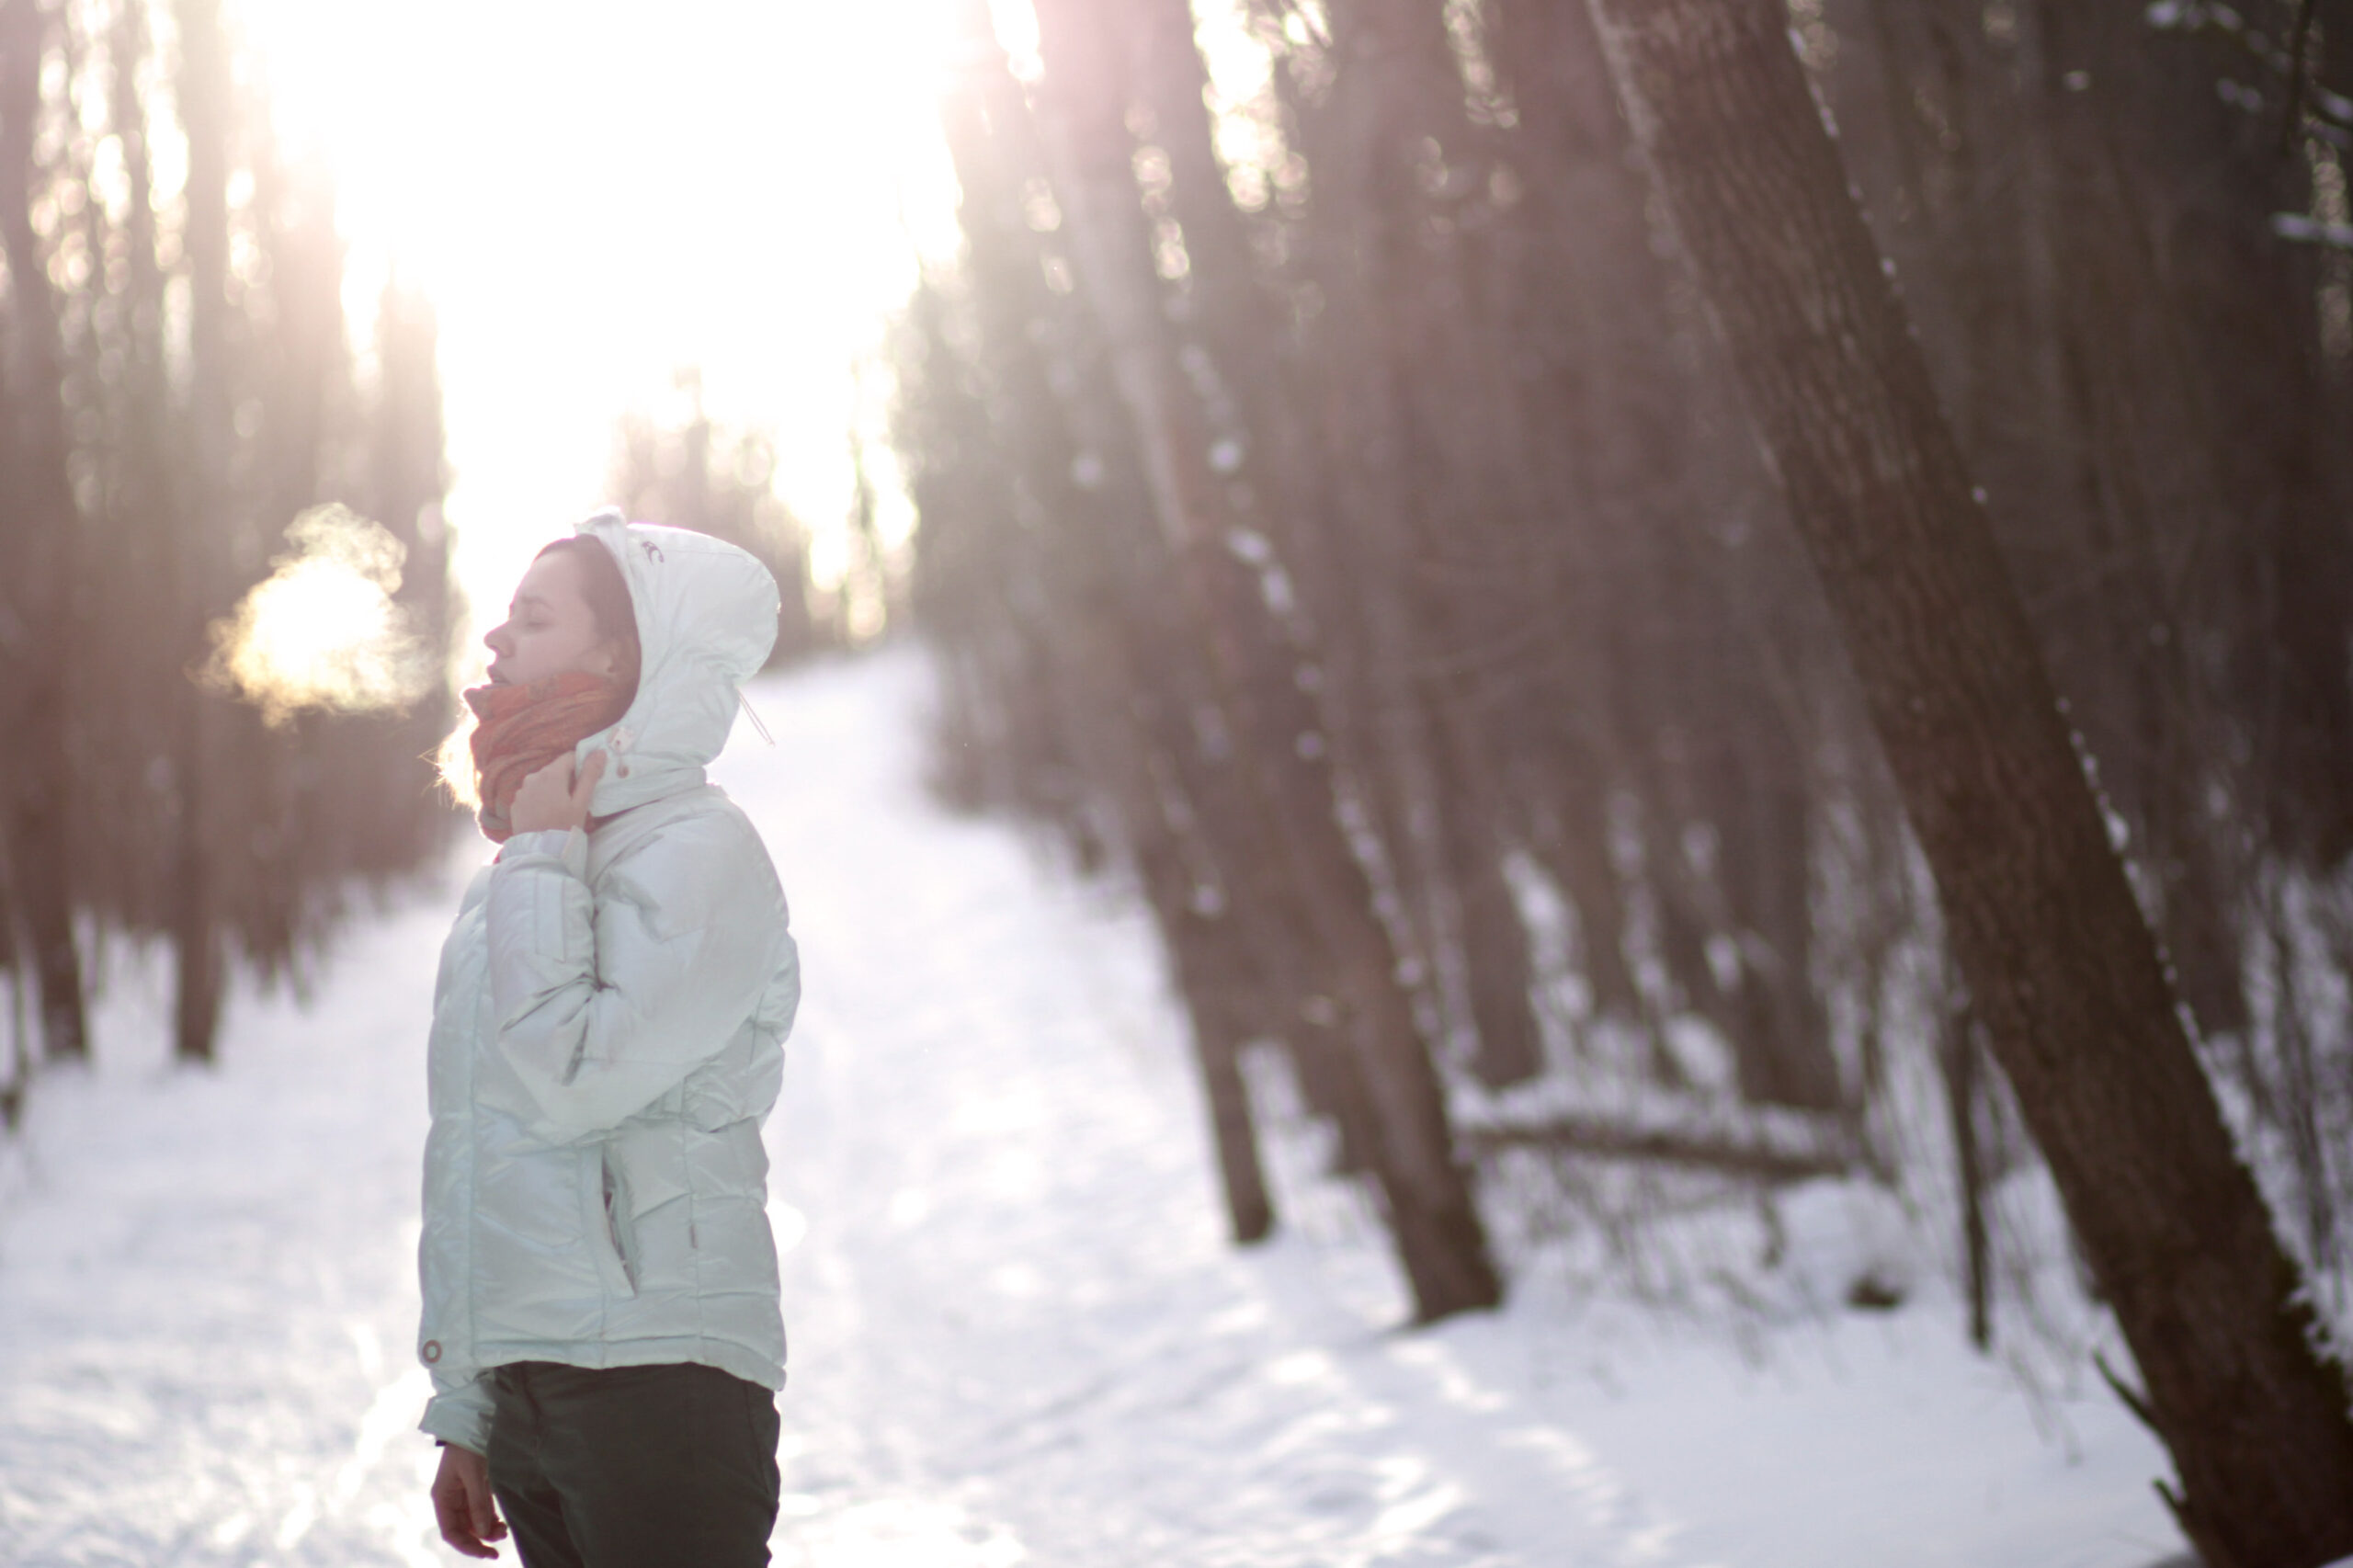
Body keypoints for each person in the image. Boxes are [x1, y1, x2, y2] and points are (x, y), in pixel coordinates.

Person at [415, 509, 801, 1566]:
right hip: (536, 1388)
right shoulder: (521, 870)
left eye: (534, 618)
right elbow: (483, 1149)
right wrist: (472, 1403)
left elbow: (578, 1079)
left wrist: (545, 852)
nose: (496, 639)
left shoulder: (698, 849)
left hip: (660, 1380)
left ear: (623, 656)